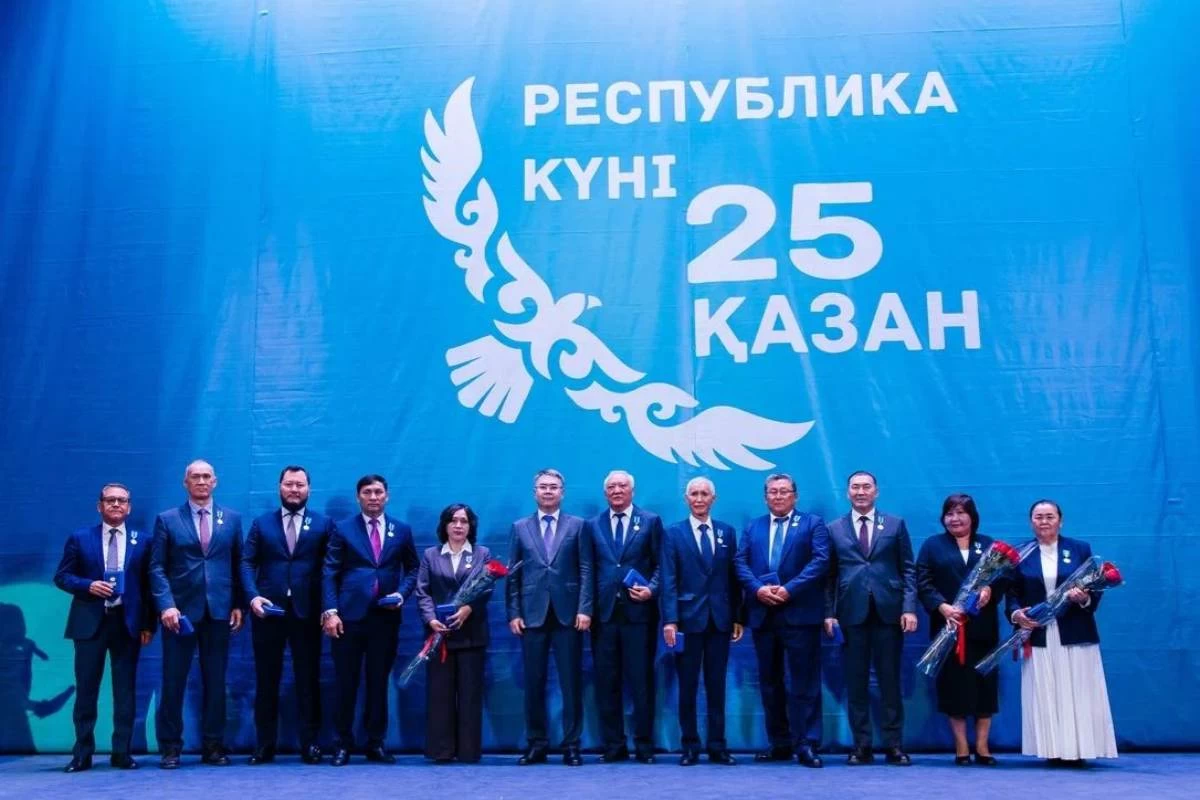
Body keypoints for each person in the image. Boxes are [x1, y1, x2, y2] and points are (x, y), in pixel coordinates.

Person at [54, 483, 156, 772]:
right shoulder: (80, 538)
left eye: (122, 500)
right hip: (90, 624)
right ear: (99, 506)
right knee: (86, 690)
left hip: (127, 624)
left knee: (125, 692)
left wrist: (148, 624)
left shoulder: (143, 541)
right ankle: (82, 753)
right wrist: (88, 585)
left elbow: (149, 587)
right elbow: (62, 576)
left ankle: (121, 752)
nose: (116, 504)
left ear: (129, 507)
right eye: (110, 500)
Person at [1006, 500, 1117, 765]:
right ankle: (1052, 750)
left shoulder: (1080, 549)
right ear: (1030, 521)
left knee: (1079, 691)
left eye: (1050, 516)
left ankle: (1080, 750)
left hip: (1075, 632)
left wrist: (1084, 598)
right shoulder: (1020, 553)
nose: (1044, 521)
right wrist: (1017, 615)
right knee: (1046, 691)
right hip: (1039, 632)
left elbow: (1095, 590)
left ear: (1061, 520)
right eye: (1038, 517)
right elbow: (1011, 593)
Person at [150, 460, 243, 769]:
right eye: (195, 477)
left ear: (215, 482)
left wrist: (238, 603)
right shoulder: (167, 520)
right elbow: (156, 567)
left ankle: (214, 746)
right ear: (185, 483)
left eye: (206, 476)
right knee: (173, 682)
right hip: (179, 615)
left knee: (215, 683)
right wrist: (166, 605)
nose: (201, 481)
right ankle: (170, 748)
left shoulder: (232, 519)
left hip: (219, 612)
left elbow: (239, 564)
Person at [321, 474, 419, 766]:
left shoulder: (402, 530)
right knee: (346, 682)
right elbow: (329, 572)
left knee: (378, 683)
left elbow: (413, 569)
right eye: (367, 492)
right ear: (358, 497)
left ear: (387, 496)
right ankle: (342, 744)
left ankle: (375, 743)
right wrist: (330, 611)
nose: (373, 497)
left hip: (385, 618)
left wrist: (401, 594)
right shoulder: (342, 529)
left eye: (378, 492)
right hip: (347, 618)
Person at [240, 465, 336, 764]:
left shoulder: (324, 524)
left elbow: (330, 569)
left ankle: (310, 744)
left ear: (309, 489)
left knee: (308, 680)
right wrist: (253, 597)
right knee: (266, 680)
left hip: (307, 613)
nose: (294, 490)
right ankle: (264, 744)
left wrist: (328, 608)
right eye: (289, 484)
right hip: (268, 612)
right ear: (279, 487)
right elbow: (246, 562)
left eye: (300, 485)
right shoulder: (261, 524)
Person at [734, 473, 829, 768]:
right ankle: (780, 743)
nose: (778, 496)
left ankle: (807, 743)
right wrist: (757, 589)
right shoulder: (754, 527)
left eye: (784, 491)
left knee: (805, 683)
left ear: (795, 496)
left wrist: (789, 589)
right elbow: (739, 562)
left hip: (800, 614)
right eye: (773, 492)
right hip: (763, 615)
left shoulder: (813, 524)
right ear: (765, 498)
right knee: (770, 682)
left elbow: (820, 561)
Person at [824, 470, 917, 765]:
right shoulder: (834, 529)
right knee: (856, 683)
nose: (861, 492)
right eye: (855, 487)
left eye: (866, 487)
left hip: (889, 612)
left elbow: (908, 568)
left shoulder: (895, 524)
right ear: (847, 493)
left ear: (876, 491)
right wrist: (829, 614)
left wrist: (909, 608)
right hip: (851, 614)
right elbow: (829, 577)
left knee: (890, 681)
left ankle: (894, 746)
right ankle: (861, 746)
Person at [505, 468, 593, 767]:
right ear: (535, 492)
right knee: (534, 683)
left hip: (569, 615)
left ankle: (572, 745)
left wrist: (584, 608)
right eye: (543, 487)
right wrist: (514, 612)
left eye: (553, 487)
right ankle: (536, 744)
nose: (548, 491)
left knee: (571, 683)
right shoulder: (520, 527)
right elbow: (513, 574)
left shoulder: (578, 526)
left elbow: (586, 569)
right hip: (532, 616)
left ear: (562, 493)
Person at [660, 476, 743, 766]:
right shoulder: (673, 534)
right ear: (686, 499)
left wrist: (737, 616)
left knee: (717, 686)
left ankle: (718, 746)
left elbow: (734, 578)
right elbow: (668, 580)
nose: (698, 499)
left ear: (713, 499)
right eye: (693, 494)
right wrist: (670, 620)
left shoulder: (727, 532)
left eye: (704, 494)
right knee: (687, 687)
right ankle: (690, 746)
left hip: (720, 622)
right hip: (686, 621)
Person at [583, 470, 663, 764]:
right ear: (605, 493)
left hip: (639, 615)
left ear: (632, 491)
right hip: (603, 616)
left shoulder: (650, 521)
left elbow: (662, 565)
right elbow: (588, 569)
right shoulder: (592, 525)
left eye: (622, 486)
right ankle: (614, 745)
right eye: (612, 487)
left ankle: (644, 746)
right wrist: (586, 609)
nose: (617, 490)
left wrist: (651, 589)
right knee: (607, 683)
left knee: (641, 682)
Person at [915, 493, 1000, 765]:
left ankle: (983, 747)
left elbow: (1004, 579)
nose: (955, 518)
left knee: (985, 686)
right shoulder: (933, 545)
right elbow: (923, 582)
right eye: (950, 513)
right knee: (953, 687)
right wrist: (942, 607)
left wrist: (989, 590)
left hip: (983, 628)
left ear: (972, 516)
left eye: (961, 512)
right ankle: (962, 747)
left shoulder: (988, 545)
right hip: (948, 628)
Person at [414, 504, 492, 763]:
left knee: (470, 695)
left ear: (471, 526)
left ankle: (468, 751)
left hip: (472, 633)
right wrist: (431, 619)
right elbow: (422, 591)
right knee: (440, 694)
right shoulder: (431, 555)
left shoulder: (482, 553)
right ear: (444, 525)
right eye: (453, 520)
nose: (458, 526)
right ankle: (441, 750)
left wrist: (468, 608)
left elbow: (486, 589)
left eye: (464, 521)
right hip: (439, 636)